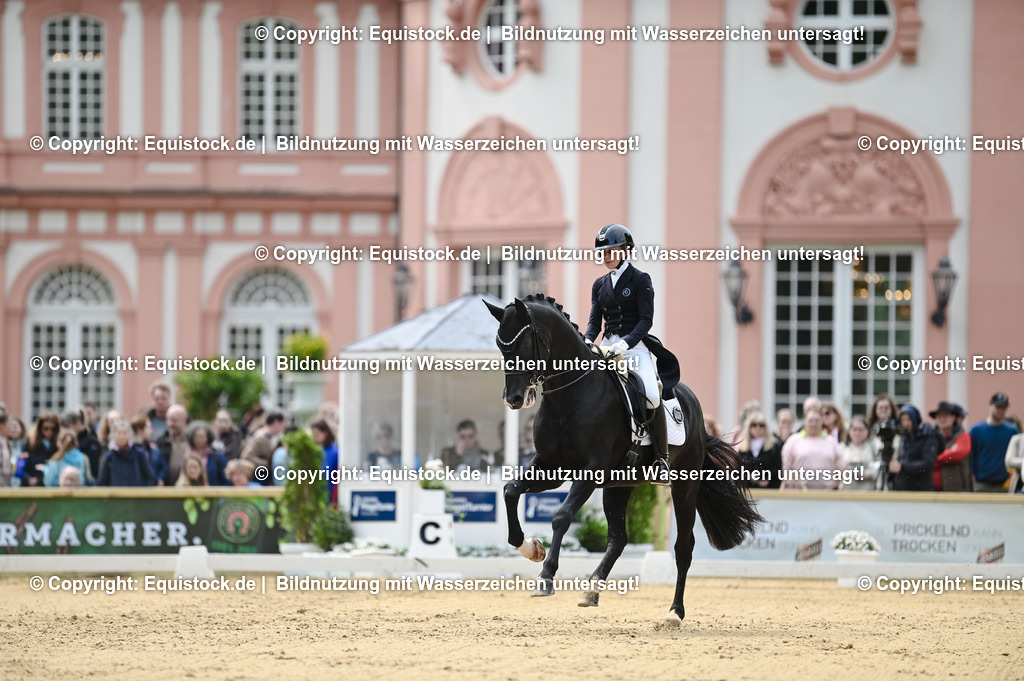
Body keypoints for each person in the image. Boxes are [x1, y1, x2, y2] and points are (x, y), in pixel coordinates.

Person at [584, 224, 680, 481]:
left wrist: (626, 343)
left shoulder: (640, 279)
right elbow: (594, 322)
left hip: (634, 348)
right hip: (606, 347)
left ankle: (661, 459)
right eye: (602, 253)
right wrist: (587, 341)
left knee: (651, 395)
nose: (605, 257)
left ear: (625, 250)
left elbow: (646, 320)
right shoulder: (599, 284)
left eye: (610, 251)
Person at [780, 409, 843, 490]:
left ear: (821, 422)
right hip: (800, 491)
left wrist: (837, 483)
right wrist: (792, 483)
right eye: (811, 420)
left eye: (817, 421)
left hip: (828, 491)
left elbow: (840, 465)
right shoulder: (793, 440)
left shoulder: (831, 441)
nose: (814, 423)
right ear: (804, 422)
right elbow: (786, 467)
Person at [970, 393, 1020, 492]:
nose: (1001, 410)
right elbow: (970, 457)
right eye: (998, 407)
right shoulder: (976, 430)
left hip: (1006, 484)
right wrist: (972, 478)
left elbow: (1018, 455)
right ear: (990, 406)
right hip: (981, 484)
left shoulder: (1012, 430)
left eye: (1004, 407)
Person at [889, 405, 938, 491]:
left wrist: (902, 467)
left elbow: (928, 463)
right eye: (903, 420)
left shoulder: (927, 435)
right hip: (903, 487)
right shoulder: (903, 438)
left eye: (909, 419)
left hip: (921, 488)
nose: (906, 423)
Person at [97, 419, 157, 487]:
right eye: (119, 433)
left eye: (125, 433)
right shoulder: (109, 456)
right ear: (113, 435)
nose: (122, 436)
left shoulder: (139, 454)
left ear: (130, 434)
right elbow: (101, 482)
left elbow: (150, 478)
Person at [930, 402, 971, 492]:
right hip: (932, 490)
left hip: (956, 490)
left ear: (953, 418)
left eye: (945, 416)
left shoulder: (963, 436)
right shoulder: (930, 437)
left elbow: (957, 454)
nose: (942, 419)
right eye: (939, 416)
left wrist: (934, 459)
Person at [735, 411, 782, 489]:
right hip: (748, 489)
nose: (758, 428)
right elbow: (739, 470)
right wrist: (751, 477)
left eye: (761, 425)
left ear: (766, 427)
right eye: (754, 425)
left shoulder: (774, 445)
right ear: (749, 427)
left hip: (769, 489)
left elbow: (778, 469)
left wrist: (762, 476)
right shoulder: (743, 447)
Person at [241, 409, 287, 483]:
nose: (283, 428)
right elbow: (246, 456)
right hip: (259, 476)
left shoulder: (272, 437)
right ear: (276, 422)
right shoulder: (260, 437)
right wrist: (267, 463)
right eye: (282, 424)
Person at [61, 408, 105, 478]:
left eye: (67, 427)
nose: (66, 430)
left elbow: (94, 468)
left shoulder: (92, 441)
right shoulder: (63, 440)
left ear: (78, 422)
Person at [840, 416, 879, 490]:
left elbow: (880, 469)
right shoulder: (842, 448)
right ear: (849, 431)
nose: (857, 433)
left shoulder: (875, 447)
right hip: (846, 492)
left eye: (860, 430)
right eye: (854, 429)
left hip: (868, 492)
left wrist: (866, 474)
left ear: (867, 430)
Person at [23, 412, 60, 487]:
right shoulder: (29, 443)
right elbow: (20, 465)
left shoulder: (59, 445)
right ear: (40, 428)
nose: (49, 432)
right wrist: (28, 479)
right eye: (46, 428)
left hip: (52, 485)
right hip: (32, 485)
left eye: (53, 429)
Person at [186, 421, 228, 486]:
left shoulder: (217, 456)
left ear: (208, 438)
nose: (199, 440)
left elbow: (226, 479)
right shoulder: (187, 455)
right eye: (196, 437)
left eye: (202, 437)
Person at [157, 404, 190, 485]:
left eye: (174, 420)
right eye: (168, 420)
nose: (170, 424)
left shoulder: (192, 441)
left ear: (185, 421)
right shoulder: (160, 442)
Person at [131, 415, 167, 486]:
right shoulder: (129, 451)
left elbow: (163, 467)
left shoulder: (154, 449)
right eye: (149, 427)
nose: (152, 431)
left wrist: (160, 478)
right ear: (139, 430)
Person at [310, 419, 339, 503]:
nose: (315, 438)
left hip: (328, 496)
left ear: (325, 433)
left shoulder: (335, 453)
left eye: (317, 434)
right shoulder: (313, 451)